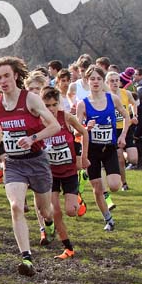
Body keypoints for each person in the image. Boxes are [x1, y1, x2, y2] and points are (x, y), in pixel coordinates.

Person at [0, 57, 60, 277]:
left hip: (36, 160)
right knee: (16, 206)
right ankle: (26, 258)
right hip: (14, 163)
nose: (3, 81)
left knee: (44, 210)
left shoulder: (31, 100)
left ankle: (48, 222)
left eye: (7, 76)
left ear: (16, 76)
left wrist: (33, 137)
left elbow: (55, 126)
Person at [76, 66, 128, 231]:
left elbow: (127, 116)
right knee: (97, 188)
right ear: (87, 81)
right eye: (92, 79)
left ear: (103, 81)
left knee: (114, 185)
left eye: (98, 79)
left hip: (110, 148)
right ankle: (108, 219)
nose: (95, 82)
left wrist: (122, 136)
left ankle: (107, 193)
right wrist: (86, 126)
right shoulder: (82, 104)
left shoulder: (112, 99)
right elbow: (76, 129)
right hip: (92, 150)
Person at [40, 87, 90, 259]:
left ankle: (78, 198)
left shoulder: (66, 117)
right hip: (50, 173)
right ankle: (68, 247)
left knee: (71, 211)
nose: (51, 109)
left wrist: (83, 157)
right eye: (47, 105)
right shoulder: (37, 121)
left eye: (54, 105)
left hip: (68, 172)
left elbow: (83, 132)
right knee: (55, 211)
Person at [106, 71, 137, 190]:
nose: (114, 83)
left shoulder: (126, 93)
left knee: (133, 159)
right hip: (113, 130)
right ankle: (124, 183)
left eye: (116, 80)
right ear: (107, 83)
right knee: (119, 159)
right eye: (112, 81)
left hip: (126, 127)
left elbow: (134, 104)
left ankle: (124, 153)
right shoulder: (106, 96)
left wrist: (135, 116)